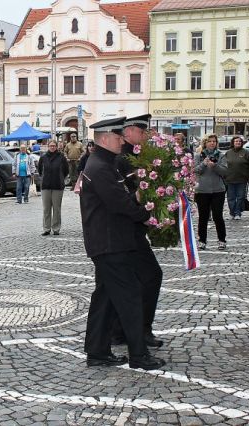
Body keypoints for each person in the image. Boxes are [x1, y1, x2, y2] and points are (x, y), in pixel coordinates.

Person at [80, 118, 165, 370]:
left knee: (105, 299)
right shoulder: (100, 167)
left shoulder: (103, 163)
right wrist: (146, 214)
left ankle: (97, 352)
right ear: (105, 138)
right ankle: (139, 356)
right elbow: (120, 204)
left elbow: (122, 197)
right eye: (118, 137)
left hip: (110, 242)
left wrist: (138, 197)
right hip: (110, 244)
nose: (121, 140)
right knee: (129, 299)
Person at [111, 114, 164, 349]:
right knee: (150, 275)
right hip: (127, 229)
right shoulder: (122, 159)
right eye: (142, 132)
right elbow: (128, 196)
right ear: (130, 131)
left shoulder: (136, 155)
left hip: (131, 228)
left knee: (127, 280)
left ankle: (121, 330)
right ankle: (140, 329)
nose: (145, 136)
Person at [194, 134, 228, 250]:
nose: (212, 143)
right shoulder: (198, 155)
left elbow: (224, 172)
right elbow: (195, 170)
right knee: (203, 216)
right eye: (210, 141)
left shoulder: (221, 155)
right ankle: (202, 241)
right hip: (202, 190)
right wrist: (204, 164)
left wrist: (215, 166)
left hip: (218, 190)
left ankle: (222, 240)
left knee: (218, 216)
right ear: (205, 143)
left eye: (214, 141)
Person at [38, 140, 69, 235]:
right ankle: (46, 228)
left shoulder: (61, 157)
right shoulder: (43, 158)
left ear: (56, 147)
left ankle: (56, 228)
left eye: (54, 146)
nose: (52, 147)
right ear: (48, 146)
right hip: (46, 186)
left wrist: (60, 177)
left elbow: (66, 171)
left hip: (57, 185)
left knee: (57, 208)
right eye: (51, 146)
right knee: (46, 208)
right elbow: (40, 170)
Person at [225, 136, 249, 220]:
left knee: (240, 197)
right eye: (236, 141)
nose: (238, 143)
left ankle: (238, 213)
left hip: (242, 179)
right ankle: (232, 213)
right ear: (233, 143)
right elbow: (223, 165)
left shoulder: (246, 153)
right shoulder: (228, 153)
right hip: (229, 179)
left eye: (240, 141)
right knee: (231, 197)